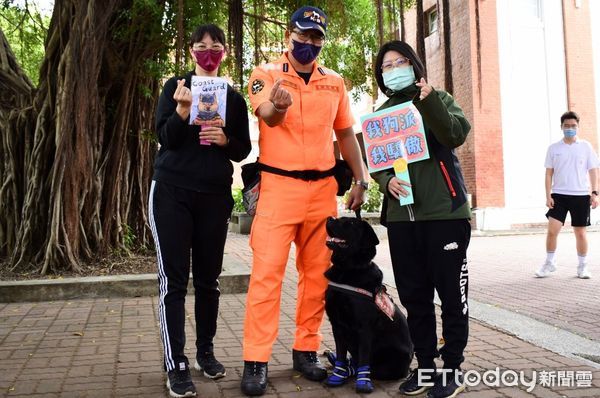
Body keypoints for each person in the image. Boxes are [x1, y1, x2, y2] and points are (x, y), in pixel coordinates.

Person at [241, 5, 368, 396]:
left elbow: (345, 134)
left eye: (316, 38)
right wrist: (278, 106)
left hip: (322, 192)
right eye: (302, 35)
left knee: (317, 276)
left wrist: (361, 177)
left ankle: (306, 349)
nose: (308, 44)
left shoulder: (335, 83)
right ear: (287, 36)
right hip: (279, 188)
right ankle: (256, 360)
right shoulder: (265, 74)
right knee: (267, 276)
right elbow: (267, 114)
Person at [149, 24, 251, 398]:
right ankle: (176, 364)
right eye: (201, 46)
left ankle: (205, 352)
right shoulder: (176, 87)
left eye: (216, 47)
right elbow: (166, 138)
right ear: (191, 50)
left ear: (224, 52)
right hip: (172, 192)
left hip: (214, 195)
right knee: (174, 282)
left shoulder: (234, 99)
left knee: (209, 280)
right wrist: (181, 111)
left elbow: (242, 149)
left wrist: (225, 139)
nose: (208, 52)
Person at [370, 41, 471, 398]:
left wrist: (428, 102)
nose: (394, 68)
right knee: (415, 298)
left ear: (414, 65)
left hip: (445, 215)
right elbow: (377, 162)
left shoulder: (437, 98)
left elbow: (455, 134)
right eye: (387, 66)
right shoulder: (381, 114)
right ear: (381, 75)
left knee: (451, 296)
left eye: (400, 62)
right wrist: (386, 181)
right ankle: (425, 366)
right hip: (402, 219)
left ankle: (453, 366)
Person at [535, 111, 599, 279]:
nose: (570, 128)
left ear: (578, 127)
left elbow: (593, 171)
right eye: (567, 126)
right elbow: (549, 173)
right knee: (552, 230)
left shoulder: (586, 147)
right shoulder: (554, 148)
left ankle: (583, 267)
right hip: (559, 195)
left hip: (580, 196)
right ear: (561, 127)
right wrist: (548, 195)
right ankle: (550, 263)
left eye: (573, 126)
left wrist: (595, 193)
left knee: (580, 232)